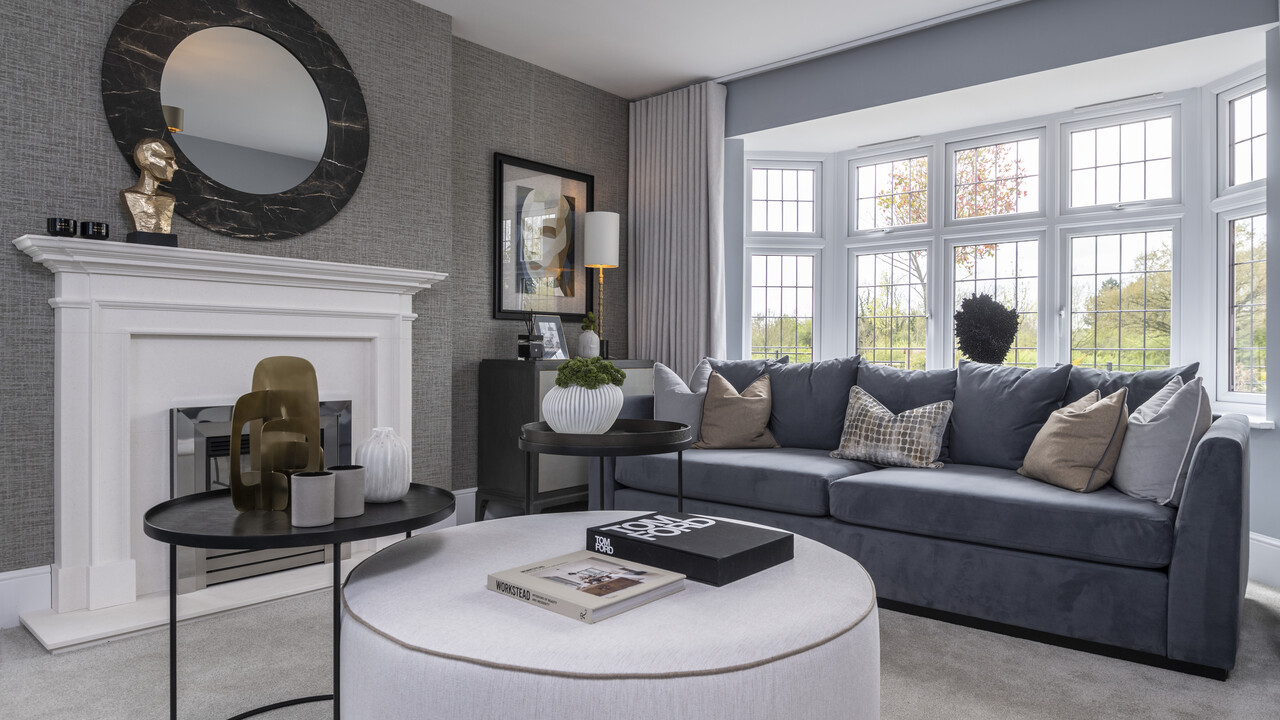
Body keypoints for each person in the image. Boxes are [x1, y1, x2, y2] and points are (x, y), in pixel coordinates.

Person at [120, 138, 178, 234]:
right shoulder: (128, 196)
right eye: (169, 159)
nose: (175, 167)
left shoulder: (169, 199)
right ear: (146, 159)